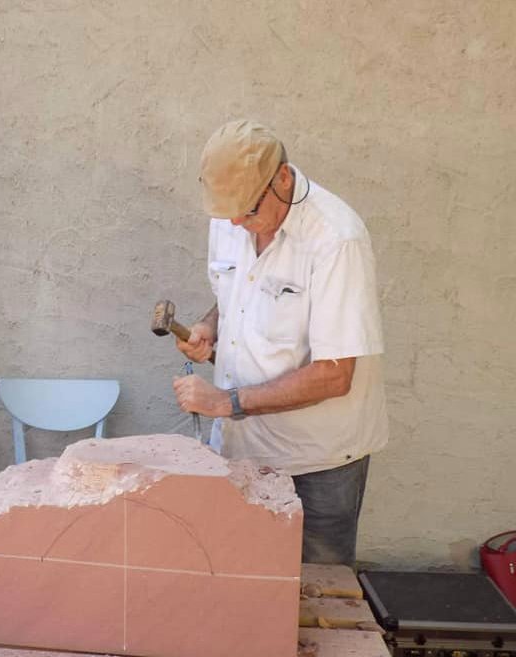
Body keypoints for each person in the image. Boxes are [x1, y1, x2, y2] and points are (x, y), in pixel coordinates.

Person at [172, 119, 388, 565]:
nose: (236, 222)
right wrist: (211, 326)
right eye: (227, 213)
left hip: (317, 462)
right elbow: (237, 293)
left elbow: (334, 376)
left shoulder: (336, 239)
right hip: (240, 448)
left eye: (247, 210)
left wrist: (225, 402)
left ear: (283, 178)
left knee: (317, 590)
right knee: (244, 581)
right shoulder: (233, 217)